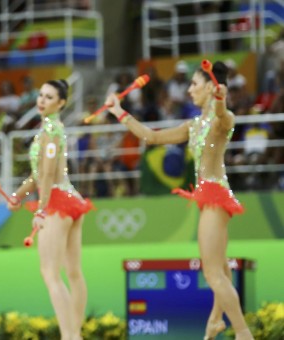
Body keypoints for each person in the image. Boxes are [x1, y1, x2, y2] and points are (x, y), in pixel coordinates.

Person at [105, 61, 254, 340]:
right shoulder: (193, 125)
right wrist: (119, 113)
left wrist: (220, 99)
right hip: (208, 196)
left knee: (212, 274)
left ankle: (243, 334)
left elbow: (222, 112)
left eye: (195, 84)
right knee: (220, 269)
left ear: (211, 87)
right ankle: (213, 322)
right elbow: (152, 136)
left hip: (214, 195)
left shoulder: (224, 120)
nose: (189, 90)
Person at [7, 79, 92, 340]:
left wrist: (41, 210)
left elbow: (46, 174)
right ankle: (74, 332)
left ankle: (70, 336)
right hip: (67, 197)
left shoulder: (51, 131)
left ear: (61, 103)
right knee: (73, 272)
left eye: (49, 97)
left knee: (50, 273)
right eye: (41, 95)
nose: (42, 100)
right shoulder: (50, 129)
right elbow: (38, 175)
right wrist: (18, 195)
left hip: (56, 202)